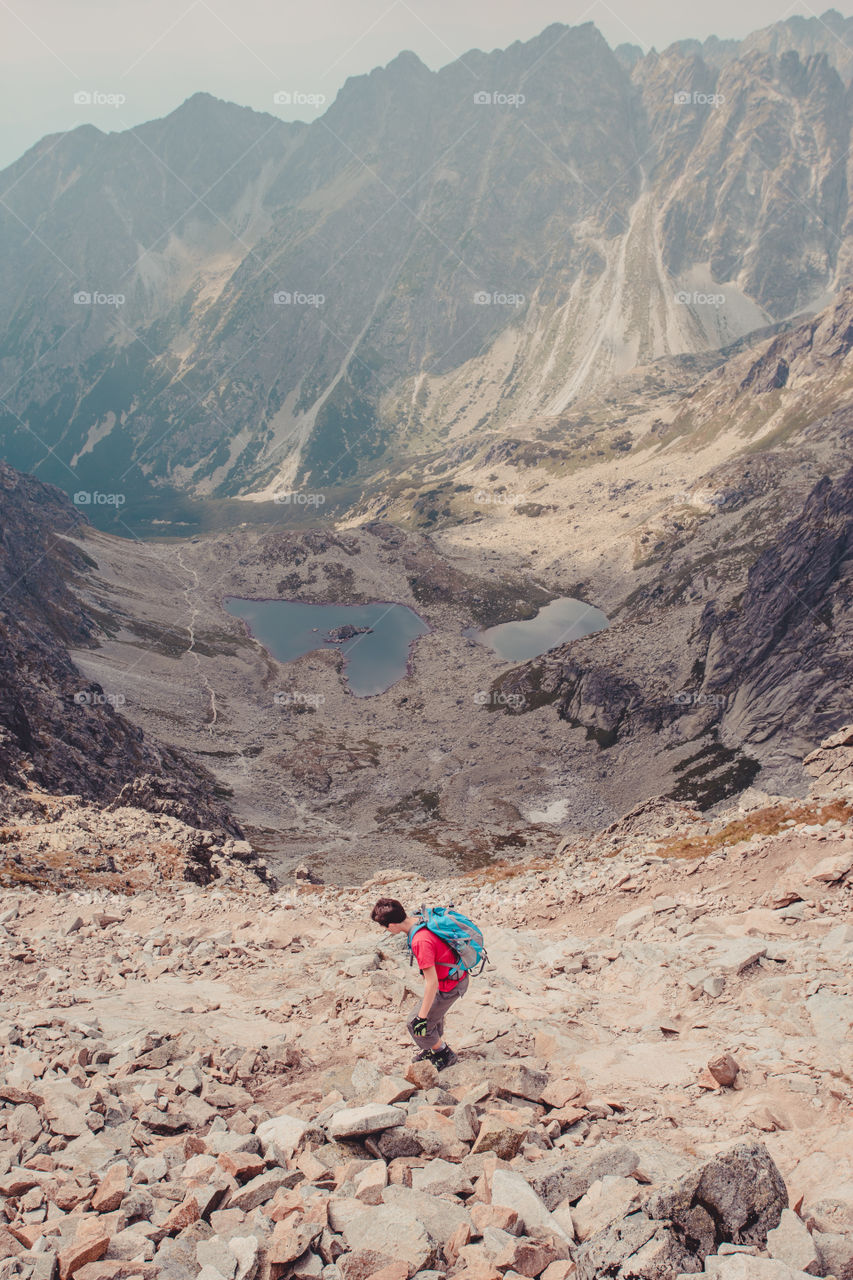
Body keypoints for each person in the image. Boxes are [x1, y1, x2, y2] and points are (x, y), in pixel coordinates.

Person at [370, 897, 467, 1071]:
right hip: (454, 976)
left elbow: (432, 982)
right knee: (430, 1014)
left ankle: (444, 1054)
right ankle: (433, 1046)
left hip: (450, 984)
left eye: (384, 927)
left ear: (392, 926)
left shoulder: (420, 941)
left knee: (415, 1024)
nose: (384, 930)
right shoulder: (418, 919)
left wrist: (421, 1018)